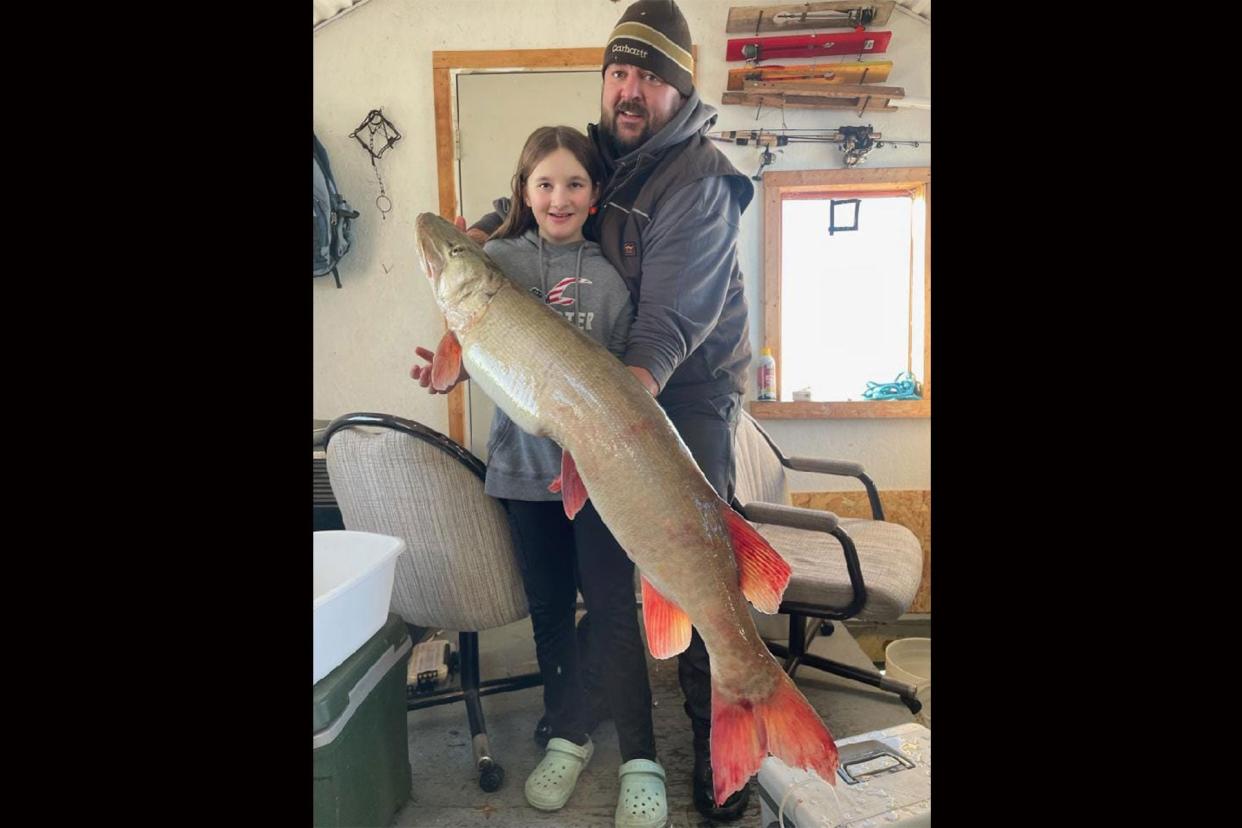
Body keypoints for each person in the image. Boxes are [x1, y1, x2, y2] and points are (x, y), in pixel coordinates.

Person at [454, 1, 758, 819]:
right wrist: (480, 237)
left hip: (676, 394)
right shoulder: (602, 154)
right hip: (601, 400)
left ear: (679, 91)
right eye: (620, 71)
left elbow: (664, 334)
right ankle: (585, 726)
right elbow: (527, 196)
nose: (631, 89)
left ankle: (724, 749)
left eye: (651, 77)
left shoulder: (699, 179)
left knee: (699, 574)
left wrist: (594, 415)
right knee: (609, 586)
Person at [411, 125, 668, 828]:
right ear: (524, 191)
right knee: (551, 617)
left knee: (616, 615)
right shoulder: (499, 259)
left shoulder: (611, 281)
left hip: (601, 480)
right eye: (545, 183)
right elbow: (476, 337)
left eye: (574, 183)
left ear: (594, 195)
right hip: (522, 479)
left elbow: (619, 390)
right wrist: (449, 366)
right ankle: (569, 735)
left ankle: (641, 759)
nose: (559, 196)